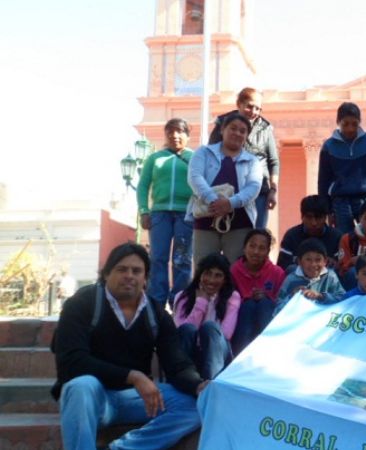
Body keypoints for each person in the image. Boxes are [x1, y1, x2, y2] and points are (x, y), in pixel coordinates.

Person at [51, 243, 207, 450]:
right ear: (106, 274)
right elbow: (71, 362)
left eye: (137, 271)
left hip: (134, 399)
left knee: (196, 406)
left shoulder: (156, 313)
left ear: (145, 278)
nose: (129, 276)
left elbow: (176, 363)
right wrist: (133, 376)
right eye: (122, 269)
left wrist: (199, 385)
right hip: (95, 398)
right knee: (79, 387)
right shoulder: (82, 304)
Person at [188, 113, 262, 265]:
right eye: (233, 128)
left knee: (236, 269)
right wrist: (214, 201)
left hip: (240, 223)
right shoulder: (203, 152)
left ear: (247, 136)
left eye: (242, 131)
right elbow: (194, 177)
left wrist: (230, 203)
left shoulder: (253, 161)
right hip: (205, 218)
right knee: (204, 266)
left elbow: (253, 187)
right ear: (222, 129)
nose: (237, 133)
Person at [136, 118, 194, 306]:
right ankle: (156, 301)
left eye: (179, 131)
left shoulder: (195, 158)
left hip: (186, 215)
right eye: (170, 131)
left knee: (182, 259)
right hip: (159, 214)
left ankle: (179, 300)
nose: (175, 135)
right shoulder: (155, 158)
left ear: (187, 135)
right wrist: (144, 211)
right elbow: (143, 186)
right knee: (158, 258)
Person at [209, 87, 279, 230]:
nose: (253, 112)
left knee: (257, 234)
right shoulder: (222, 123)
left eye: (258, 109)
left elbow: (273, 162)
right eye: (249, 106)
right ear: (239, 104)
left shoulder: (265, 128)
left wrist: (273, 191)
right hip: (228, 190)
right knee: (229, 233)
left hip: (259, 192)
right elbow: (211, 155)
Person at [317, 102, 366, 233]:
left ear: (360, 122)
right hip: (340, 202)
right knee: (344, 240)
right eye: (345, 124)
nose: (350, 129)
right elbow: (323, 181)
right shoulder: (329, 146)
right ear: (338, 122)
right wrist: (328, 210)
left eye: (354, 124)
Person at [173, 254, 240, 380]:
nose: (211, 280)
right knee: (187, 329)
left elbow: (226, 333)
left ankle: (211, 385)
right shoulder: (182, 297)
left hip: (217, 355)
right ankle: (183, 381)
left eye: (218, 275)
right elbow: (181, 331)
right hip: (190, 353)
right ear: (200, 275)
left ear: (225, 279)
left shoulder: (232, 297)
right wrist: (201, 303)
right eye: (208, 273)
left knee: (210, 328)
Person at [230, 229, 286, 355]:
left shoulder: (277, 272)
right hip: (241, 323)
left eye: (262, 248)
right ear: (244, 248)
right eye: (252, 246)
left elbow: (282, 302)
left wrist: (268, 297)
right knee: (248, 305)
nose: (256, 252)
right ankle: (239, 356)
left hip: (266, 319)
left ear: (268, 251)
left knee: (264, 303)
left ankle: (270, 353)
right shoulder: (233, 271)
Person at [274, 238, 346, 315]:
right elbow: (277, 311)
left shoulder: (330, 277)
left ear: (325, 261)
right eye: (308, 259)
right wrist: (291, 296)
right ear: (299, 262)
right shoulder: (291, 280)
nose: (313, 264)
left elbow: (343, 299)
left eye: (318, 260)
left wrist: (321, 296)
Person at [277, 195, 343, 271]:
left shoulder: (336, 236)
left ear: (325, 217)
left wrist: (334, 263)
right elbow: (282, 265)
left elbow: (343, 265)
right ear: (302, 217)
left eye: (318, 217)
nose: (314, 223)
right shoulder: (291, 236)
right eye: (309, 217)